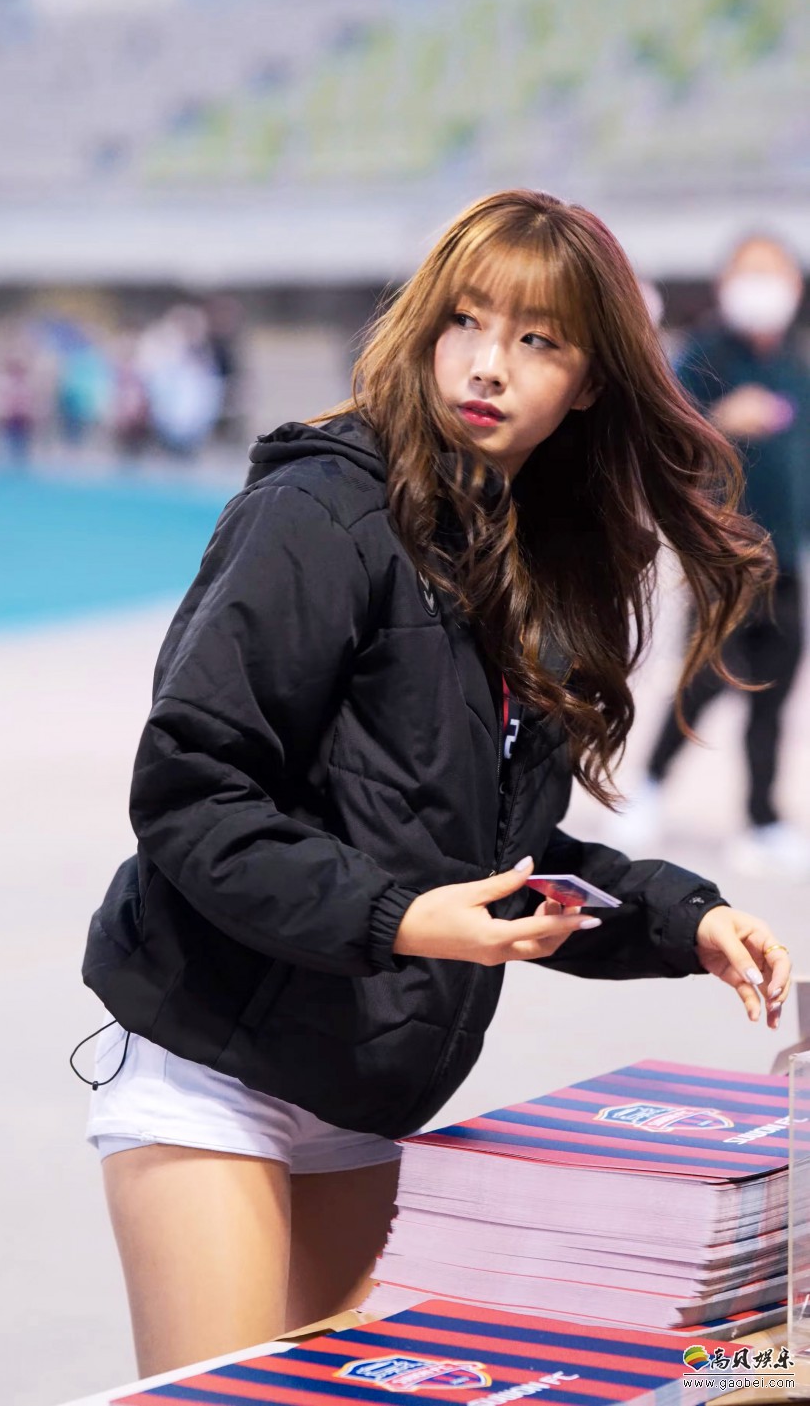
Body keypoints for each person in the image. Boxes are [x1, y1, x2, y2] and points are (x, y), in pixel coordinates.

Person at [78, 190, 792, 1376]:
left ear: (590, 381)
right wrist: (401, 917)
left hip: (366, 1085)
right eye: (465, 319)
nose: (487, 364)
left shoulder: (540, 562)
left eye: (538, 339)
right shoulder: (316, 511)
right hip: (213, 1060)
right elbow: (191, 794)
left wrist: (683, 916)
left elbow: (501, 856)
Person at [625, 235, 809, 875]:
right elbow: (662, 439)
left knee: (773, 697)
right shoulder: (704, 355)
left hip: (785, 563)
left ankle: (762, 819)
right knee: (706, 680)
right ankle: (648, 785)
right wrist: (721, 420)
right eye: (749, 272)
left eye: (774, 273)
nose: (763, 287)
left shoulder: (795, 363)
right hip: (723, 559)